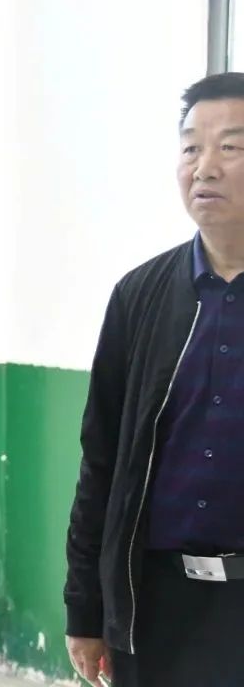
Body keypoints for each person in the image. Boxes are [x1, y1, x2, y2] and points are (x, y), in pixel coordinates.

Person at [64, 72, 244, 686]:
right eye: (191, 147)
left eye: (230, 146)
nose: (205, 167)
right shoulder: (140, 297)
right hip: (157, 605)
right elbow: (101, 463)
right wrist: (86, 608)